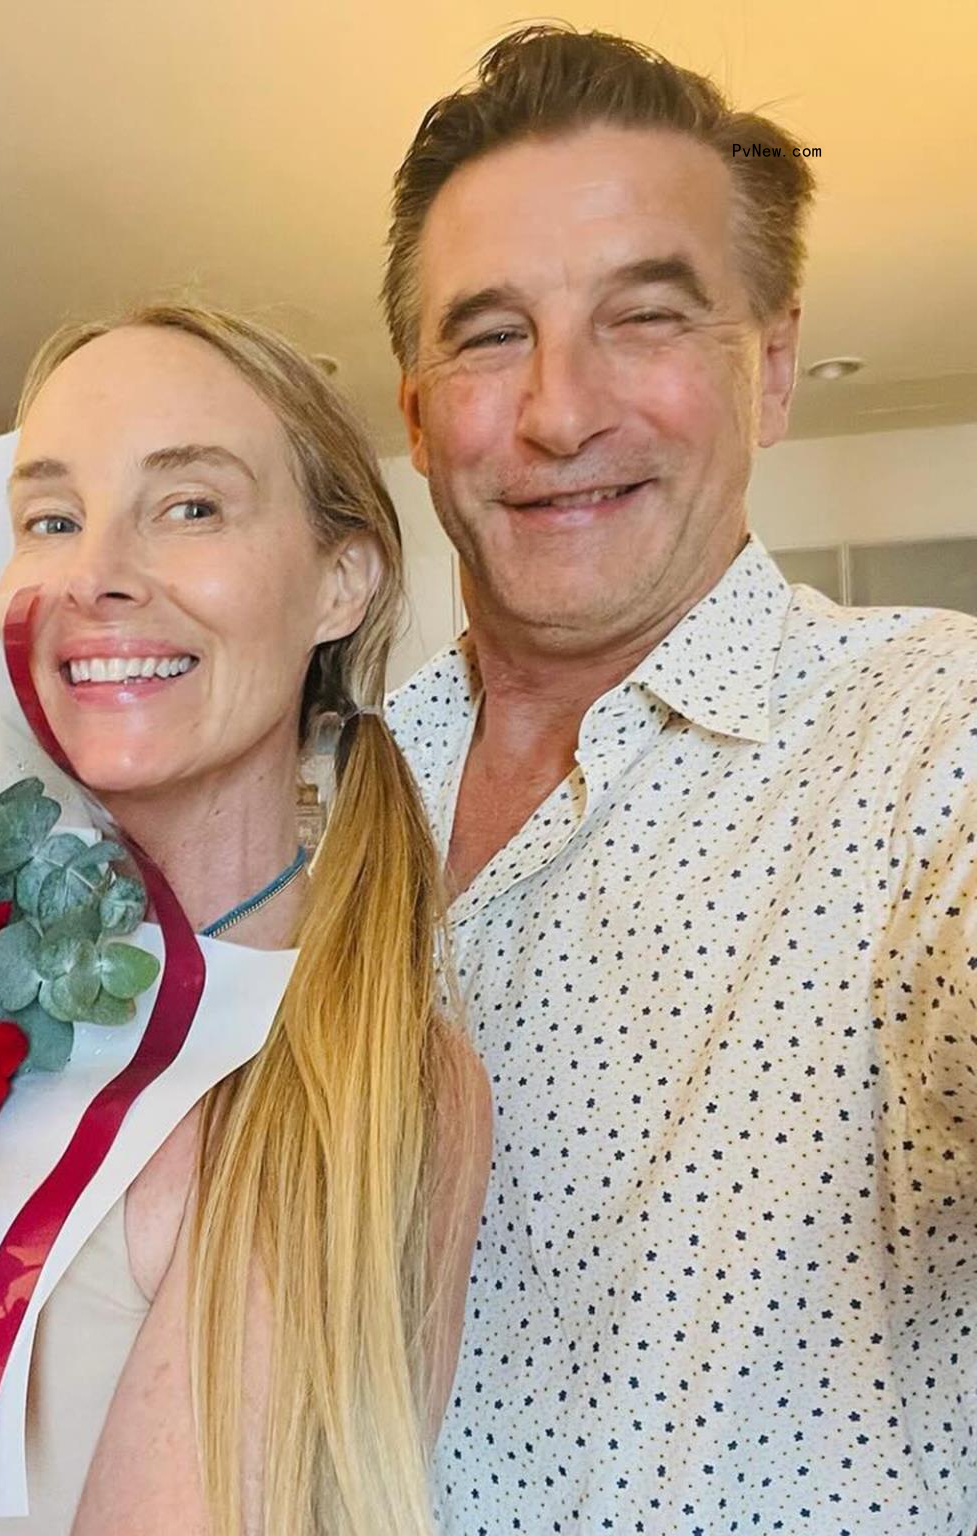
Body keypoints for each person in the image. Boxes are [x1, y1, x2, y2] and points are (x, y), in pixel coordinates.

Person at [382, 25, 977, 1534]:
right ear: (414, 408)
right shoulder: (324, 790)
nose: (560, 412)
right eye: (490, 335)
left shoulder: (934, 734)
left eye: (644, 319)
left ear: (769, 370)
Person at [0, 303, 492, 1536]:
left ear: (340, 580)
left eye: (191, 506)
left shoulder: (361, 1077)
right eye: (52, 518)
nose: (94, 571)